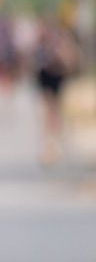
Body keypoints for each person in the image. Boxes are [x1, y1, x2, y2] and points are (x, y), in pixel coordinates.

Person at [34, 14, 79, 164]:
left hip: (56, 77)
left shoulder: (60, 39)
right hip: (46, 77)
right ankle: (50, 145)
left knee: (53, 110)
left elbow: (70, 60)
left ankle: (54, 144)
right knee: (50, 110)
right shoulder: (44, 39)